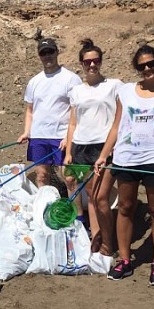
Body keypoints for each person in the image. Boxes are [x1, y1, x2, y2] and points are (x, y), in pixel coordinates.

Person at [94, 45, 154, 286]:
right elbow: (117, 126)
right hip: (126, 158)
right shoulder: (125, 91)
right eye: (142, 65)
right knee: (125, 207)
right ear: (137, 68)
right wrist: (104, 155)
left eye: (151, 63)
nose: (147, 69)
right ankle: (124, 260)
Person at [64, 39, 123, 255]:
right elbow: (73, 123)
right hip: (80, 146)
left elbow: (120, 118)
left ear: (101, 61)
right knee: (91, 196)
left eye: (95, 60)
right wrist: (69, 151)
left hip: (103, 146)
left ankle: (108, 242)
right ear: (81, 63)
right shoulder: (76, 91)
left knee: (100, 197)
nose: (91, 65)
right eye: (87, 61)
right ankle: (96, 239)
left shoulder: (114, 85)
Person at [17, 38, 82, 187]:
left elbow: (77, 111)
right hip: (39, 136)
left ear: (57, 52)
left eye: (50, 51)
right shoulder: (34, 81)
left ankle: (76, 209)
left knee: (69, 177)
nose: (47, 56)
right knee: (41, 176)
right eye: (43, 53)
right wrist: (27, 132)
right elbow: (30, 110)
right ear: (39, 56)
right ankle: (45, 207)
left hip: (61, 136)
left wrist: (68, 137)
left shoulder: (71, 79)